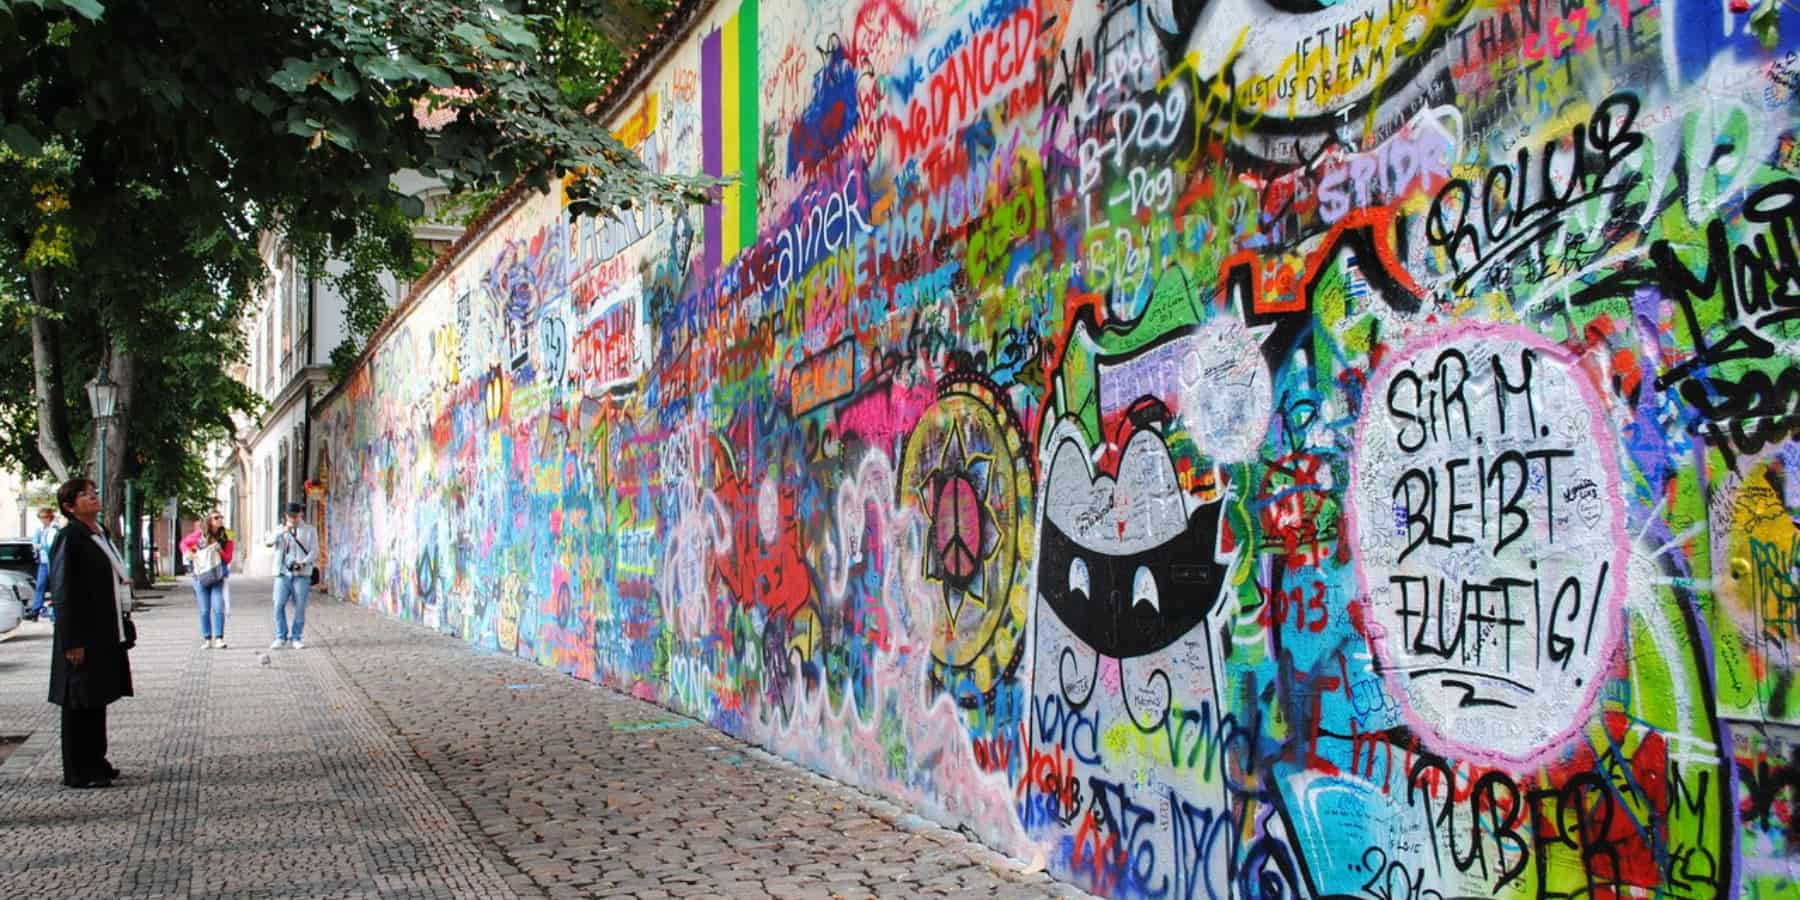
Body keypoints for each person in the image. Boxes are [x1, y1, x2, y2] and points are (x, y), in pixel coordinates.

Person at [45, 478, 133, 789]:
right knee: (79, 702)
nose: (93, 497)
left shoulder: (100, 534)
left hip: (104, 629)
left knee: (97, 697)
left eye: (94, 492)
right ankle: (79, 770)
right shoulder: (71, 537)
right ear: (70, 506)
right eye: (84, 494)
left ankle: (97, 760)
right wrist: (72, 641)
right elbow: (64, 590)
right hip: (82, 633)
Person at [179, 512, 235, 649]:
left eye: (221, 517)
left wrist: (220, 550)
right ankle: (207, 638)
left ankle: (219, 638)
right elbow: (183, 544)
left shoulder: (228, 534)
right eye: (216, 518)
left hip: (217, 576)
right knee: (204, 610)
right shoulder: (200, 534)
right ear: (209, 521)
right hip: (200, 576)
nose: (220, 520)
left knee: (218, 607)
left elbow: (228, 558)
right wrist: (189, 553)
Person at [267, 502, 317, 649]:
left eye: (295, 516)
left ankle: (296, 637)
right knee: (278, 604)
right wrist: (282, 531)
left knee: (300, 606)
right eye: (290, 516)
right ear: (286, 516)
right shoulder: (279, 529)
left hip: (301, 574)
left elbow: (315, 551)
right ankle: (280, 636)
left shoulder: (309, 530)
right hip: (282, 573)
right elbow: (268, 542)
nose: (293, 519)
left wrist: (303, 562)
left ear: (301, 514)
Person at [26, 507, 60, 621]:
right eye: (40, 517)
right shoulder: (40, 529)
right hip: (43, 562)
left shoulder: (54, 529)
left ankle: (55, 612)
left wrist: (41, 546)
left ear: (50, 517)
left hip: (52, 562)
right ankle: (35, 611)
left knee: (55, 587)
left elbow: (52, 545)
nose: (42, 520)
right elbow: (35, 543)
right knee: (40, 586)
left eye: (44, 517)